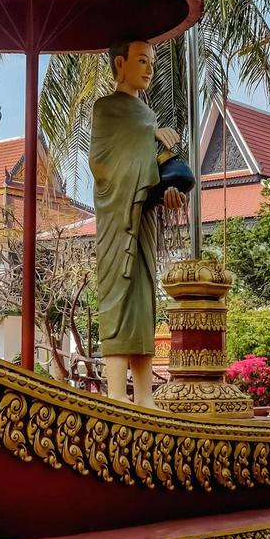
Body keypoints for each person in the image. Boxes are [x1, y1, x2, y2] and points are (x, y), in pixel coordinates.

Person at [89, 39, 187, 406]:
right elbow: (101, 163)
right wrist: (148, 137)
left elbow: (153, 171)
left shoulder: (145, 114)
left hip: (141, 218)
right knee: (117, 299)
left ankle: (145, 397)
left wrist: (168, 192)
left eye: (152, 62)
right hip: (117, 220)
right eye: (142, 61)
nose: (149, 69)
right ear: (120, 63)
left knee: (144, 303)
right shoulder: (107, 109)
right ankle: (116, 395)